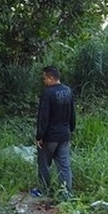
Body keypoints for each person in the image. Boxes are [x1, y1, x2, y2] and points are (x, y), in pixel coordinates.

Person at [34, 66, 76, 199]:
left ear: (51, 78)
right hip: (64, 134)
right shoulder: (68, 91)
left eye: (45, 78)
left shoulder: (47, 93)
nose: (44, 81)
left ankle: (44, 190)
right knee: (64, 166)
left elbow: (43, 117)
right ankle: (66, 194)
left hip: (50, 136)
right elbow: (72, 114)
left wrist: (39, 136)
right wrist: (71, 129)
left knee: (44, 164)